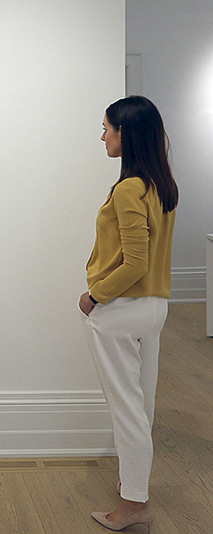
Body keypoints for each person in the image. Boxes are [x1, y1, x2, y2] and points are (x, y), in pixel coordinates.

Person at [79, 95, 178, 533]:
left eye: (106, 128)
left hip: (121, 310)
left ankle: (133, 504)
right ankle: (135, 493)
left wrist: (95, 296)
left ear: (126, 133)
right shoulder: (161, 185)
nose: (102, 135)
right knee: (143, 405)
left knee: (127, 411)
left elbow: (134, 262)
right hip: (154, 308)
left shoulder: (127, 188)